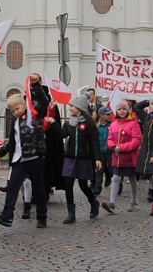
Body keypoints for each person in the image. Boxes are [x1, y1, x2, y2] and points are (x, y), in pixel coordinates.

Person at [0, 93, 48, 228]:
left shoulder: (32, 116)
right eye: (12, 110)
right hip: (19, 159)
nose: (15, 112)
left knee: (39, 188)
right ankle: (7, 214)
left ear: (24, 105)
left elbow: (42, 101)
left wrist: (34, 86)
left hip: (34, 157)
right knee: (12, 186)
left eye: (17, 108)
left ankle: (42, 216)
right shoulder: (15, 122)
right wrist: (1, 152)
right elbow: (13, 141)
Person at [53, 95, 102, 224]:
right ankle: (71, 212)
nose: (70, 108)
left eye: (72, 106)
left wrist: (97, 158)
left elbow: (94, 143)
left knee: (83, 185)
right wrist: (53, 123)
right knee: (68, 183)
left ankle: (93, 202)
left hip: (84, 158)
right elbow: (62, 134)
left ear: (79, 107)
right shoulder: (69, 123)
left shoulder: (89, 123)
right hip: (70, 158)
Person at [101, 100, 142, 214]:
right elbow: (110, 138)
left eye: (124, 109)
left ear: (128, 111)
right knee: (116, 178)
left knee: (132, 178)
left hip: (130, 158)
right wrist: (111, 145)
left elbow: (136, 141)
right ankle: (112, 203)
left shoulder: (133, 124)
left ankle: (134, 201)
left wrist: (122, 147)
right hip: (117, 158)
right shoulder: (113, 124)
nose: (122, 111)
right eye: (119, 109)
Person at [94, 107, 113, 195]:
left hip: (110, 151)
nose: (109, 116)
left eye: (109, 114)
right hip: (101, 152)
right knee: (99, 170)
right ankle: (98, 187)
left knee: (112, 170)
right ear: (101, 115)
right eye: (107, 114)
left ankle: (117, 184)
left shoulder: (112, 125)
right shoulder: (97, 126)